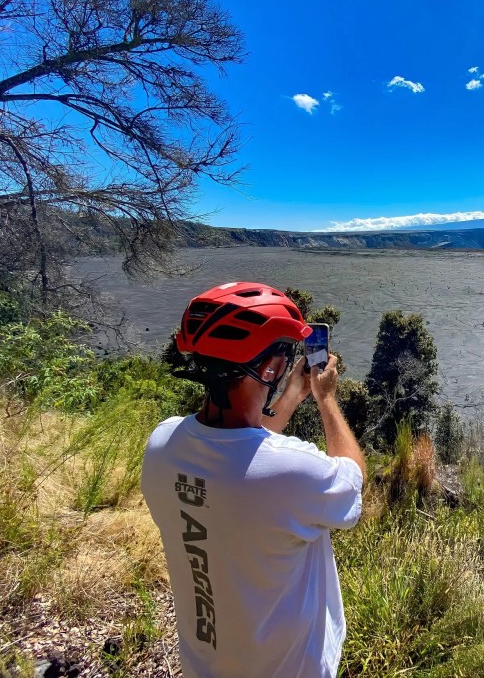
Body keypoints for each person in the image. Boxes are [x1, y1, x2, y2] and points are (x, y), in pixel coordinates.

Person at [141, 281, 365, 678]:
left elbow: (242, 449)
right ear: (270, 368)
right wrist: (326, 398)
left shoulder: (162, 444)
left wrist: (292, 396)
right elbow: (353, 479)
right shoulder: (292, 471)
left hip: (204, 665)